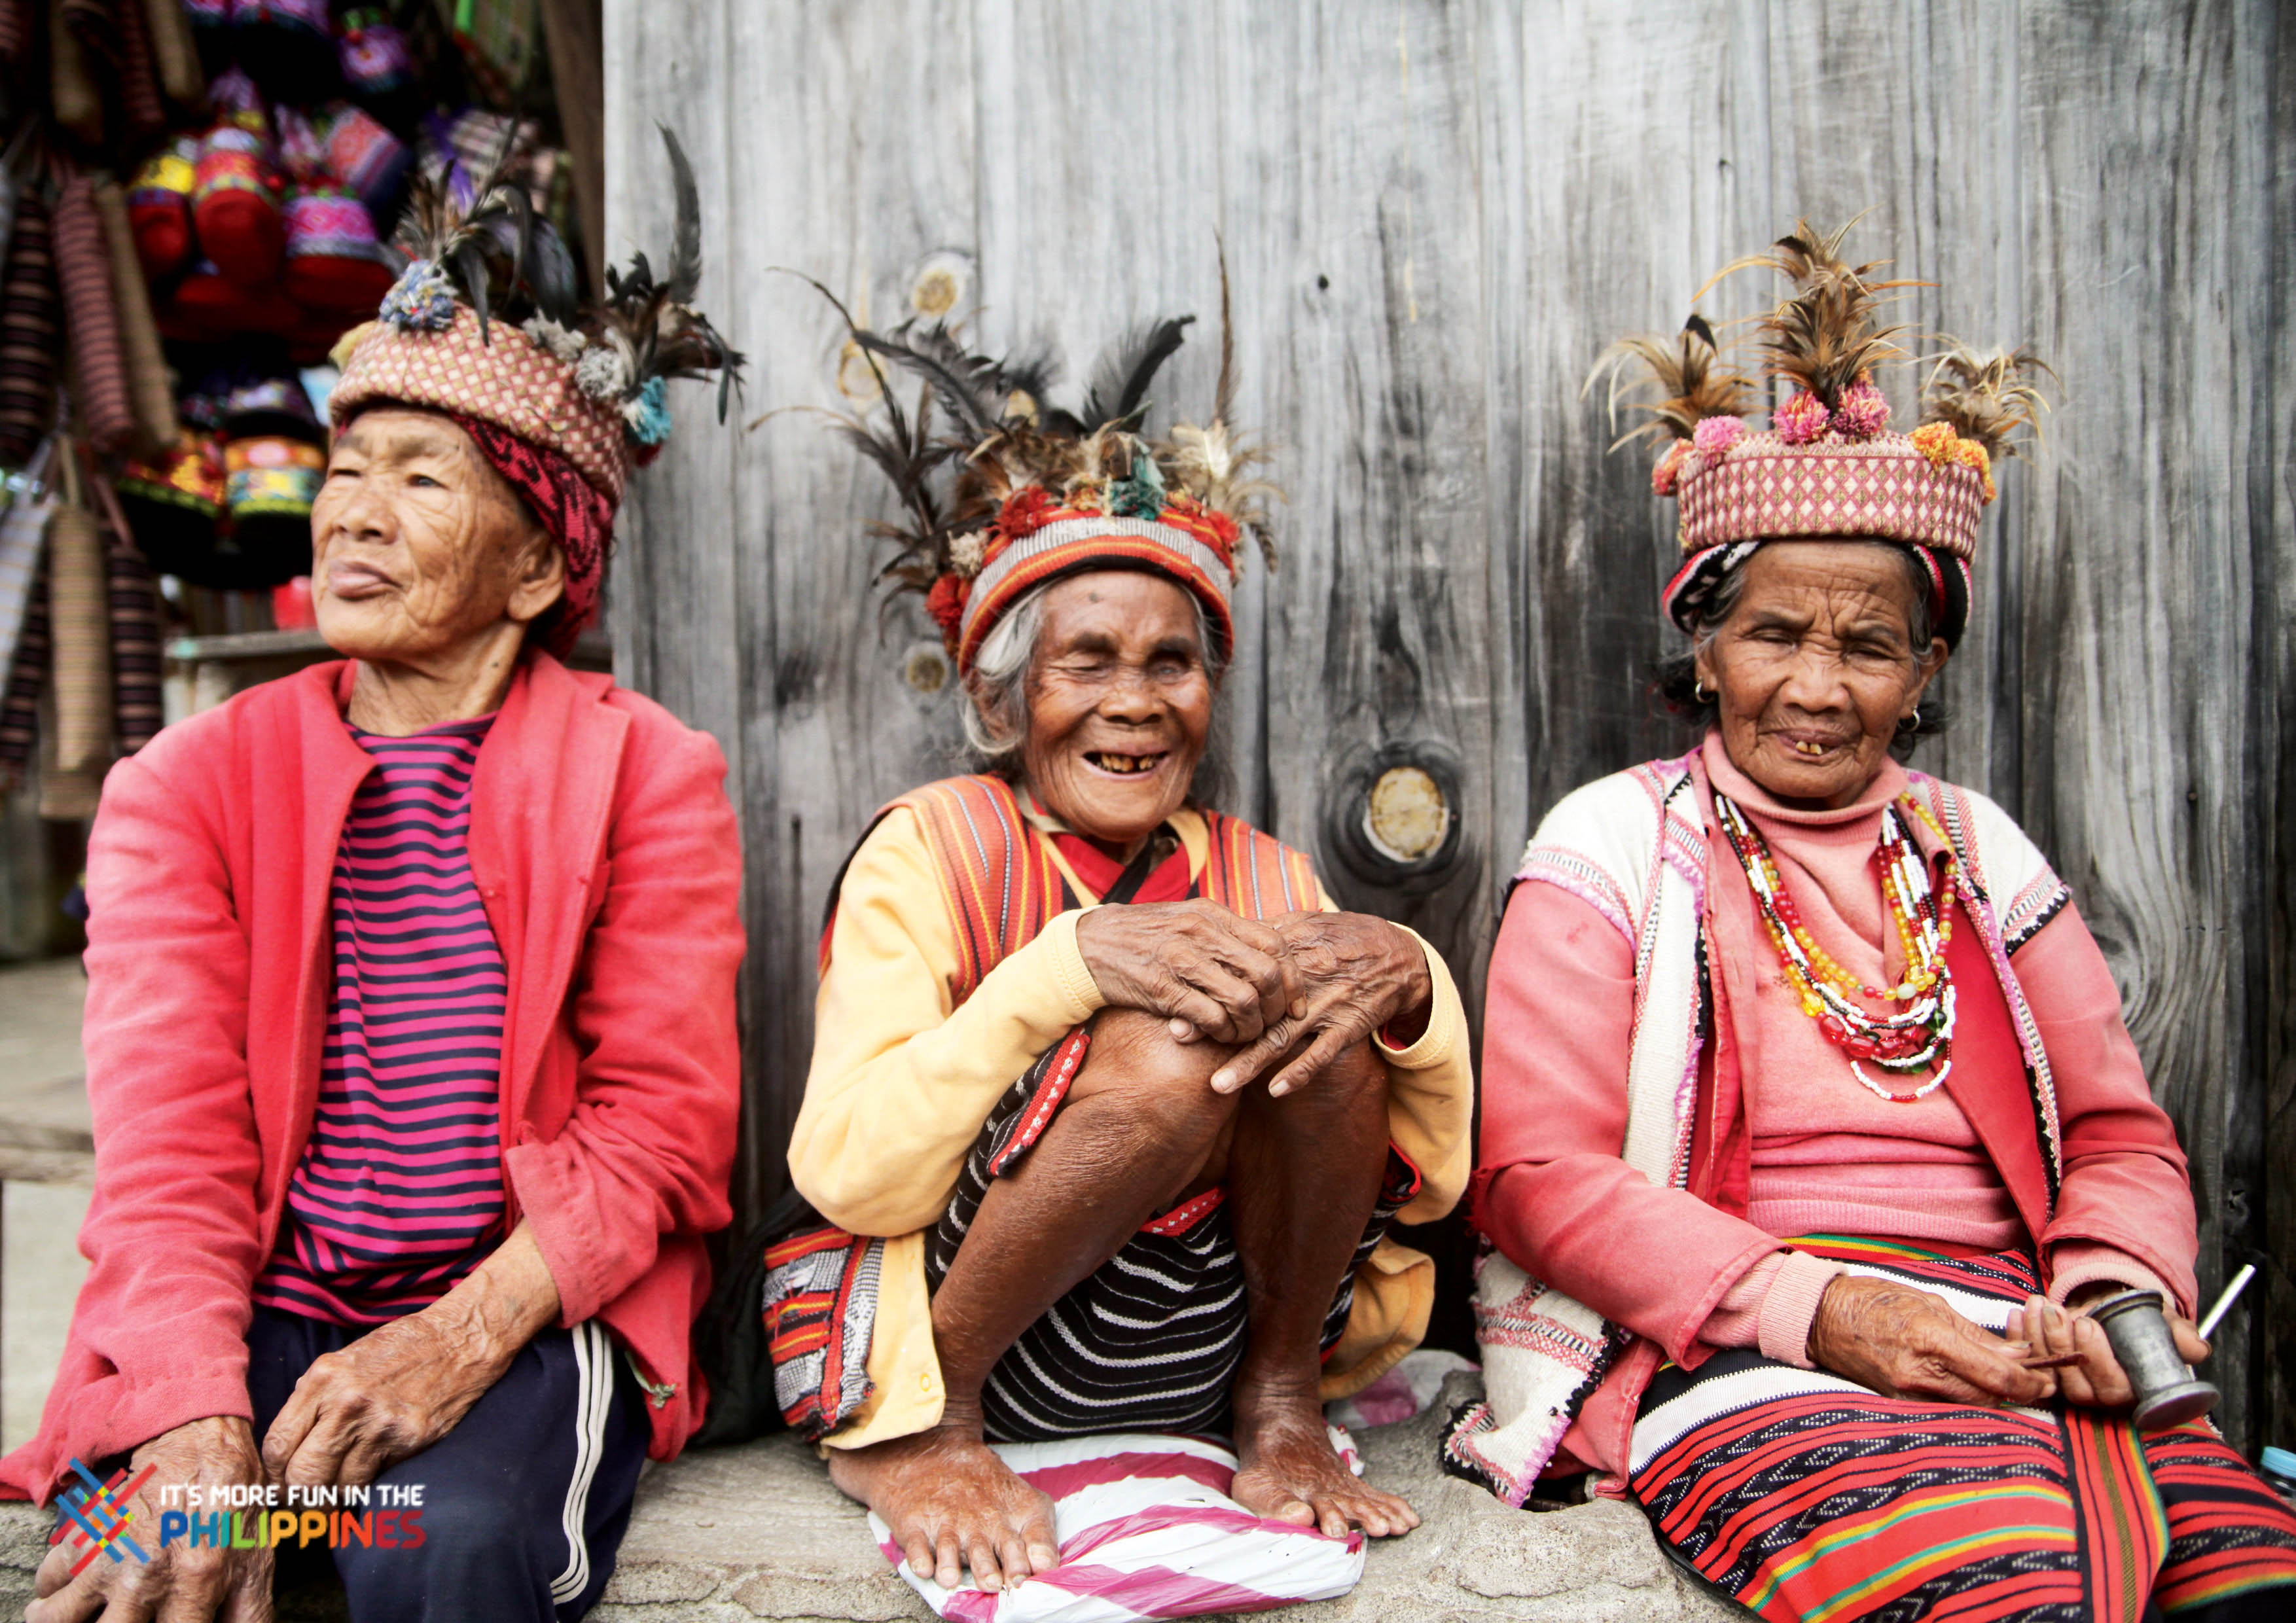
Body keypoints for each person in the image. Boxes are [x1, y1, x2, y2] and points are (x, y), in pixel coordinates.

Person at [1444, 221, 2296, 1620]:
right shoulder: (1607, 841)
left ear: (1925, 669)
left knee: (2246, 1571)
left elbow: (2116, 1138)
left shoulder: (1975, 848)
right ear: (1703, 648)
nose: (1817, 686)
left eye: (1867, 645)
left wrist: (2105, 1299)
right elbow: (1537, 1177)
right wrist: (1826, 1310)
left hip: (2014, 1327)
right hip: (1734, 1345)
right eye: (1775, 635)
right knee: (2006, 1589)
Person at [3, 133, 746, 1623]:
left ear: (538, 567)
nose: (351, 510)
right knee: (101, 1547)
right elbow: (168, 1146)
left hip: (519, 1312)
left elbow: (662, 1128)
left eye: (418, 479)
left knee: (439, 1549)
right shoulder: (183, 785)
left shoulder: (648, 770)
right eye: (345, 469)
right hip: (265, 1315)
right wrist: (194, 1417)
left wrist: (454, 1337)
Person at [774, 304, 1474, 1596]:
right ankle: (931, 1435)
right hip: (979, 1337)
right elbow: (848, 1173)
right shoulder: (929, 847)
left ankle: (1280, 1414)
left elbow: (1420, 1189)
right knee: (1170, 1036)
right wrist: (1067, 966)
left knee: (1317, 999)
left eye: (1171, 662)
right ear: (997, 700)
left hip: (1210, 1344)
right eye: (1082, 661)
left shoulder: (1261, 867)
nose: (1135, 700)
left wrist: (1406, 981)